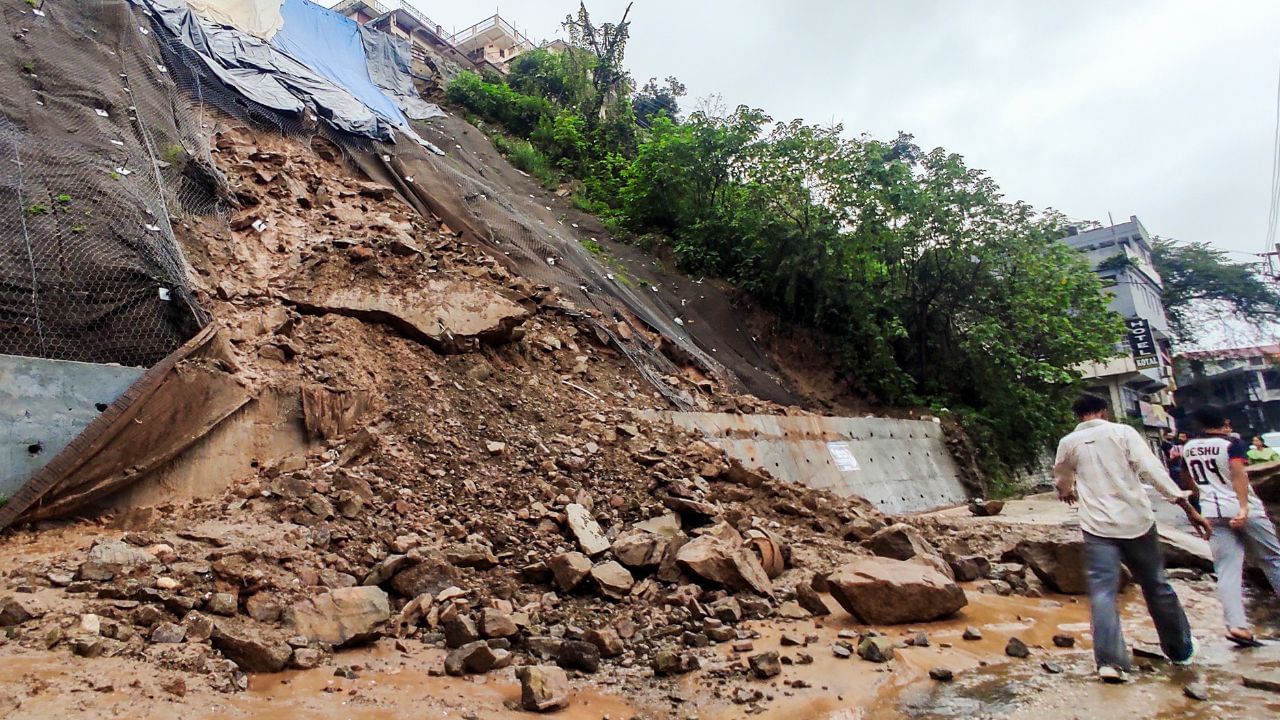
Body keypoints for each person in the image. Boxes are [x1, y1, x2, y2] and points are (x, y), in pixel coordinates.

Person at [1055, 394, 1212, 683]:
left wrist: (1066, 491)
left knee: (1103, 592)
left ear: (1078, 416)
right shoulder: (1123, 433)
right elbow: (1152, 471)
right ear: (1104, 411)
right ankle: (1180, 650)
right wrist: (1186, 506)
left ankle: (1110, 663)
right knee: (1156, 585)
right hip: (1137, 521)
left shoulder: (1069, 442)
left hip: (1097, 527)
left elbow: (1062, 477)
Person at [1182, 407, 1280, 647]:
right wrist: (1244, 508)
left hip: (1212, 512)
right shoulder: (1231, 444)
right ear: (1224, 422)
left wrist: (1197, 502)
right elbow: (1239, 475)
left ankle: (1236, 625)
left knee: (1227, 568)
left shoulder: (1188, 448)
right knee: (1273, 560)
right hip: (1242, 509)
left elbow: (1187, 480)